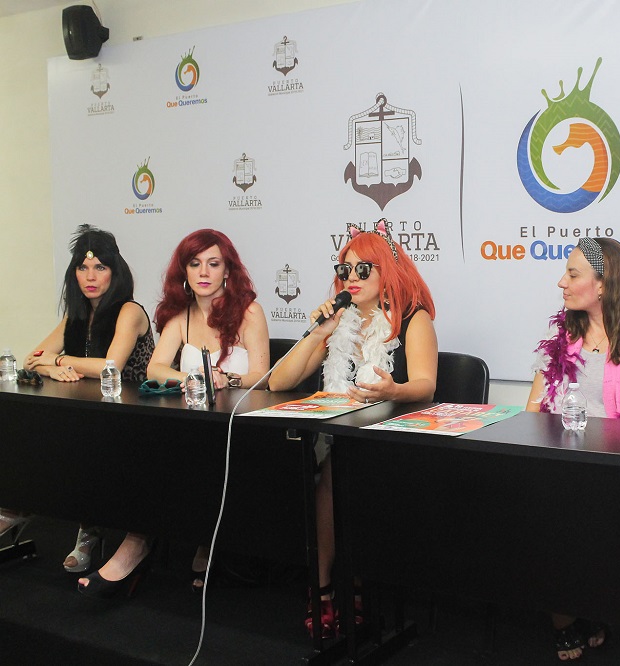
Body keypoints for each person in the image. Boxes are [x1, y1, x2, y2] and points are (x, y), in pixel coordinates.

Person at [77, 228, 270, 598]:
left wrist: (227, 379)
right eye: (195, 264)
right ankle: (136, 545)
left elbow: (263, 377)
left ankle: (173, 545)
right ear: (184, 271)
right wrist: (195, 378)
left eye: (213, 264)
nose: (203, 272)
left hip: (240, 430)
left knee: (178, 455)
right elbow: (155, 369)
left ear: (227, 271)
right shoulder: (181, 316)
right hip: (194, 426)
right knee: (143, 448)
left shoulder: (250, 312)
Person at [269, 219, 437, 638]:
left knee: (339, 471)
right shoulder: (339, 320)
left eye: (363, 269)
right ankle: (325, 588)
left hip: (394, 440)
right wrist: (320, 334)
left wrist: (393, 389)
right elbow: (279, 382)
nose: (351, 277)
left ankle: (351, 585)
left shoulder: (412, 319)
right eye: (344, 269)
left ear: (387, 272)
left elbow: (426, 385)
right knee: (329, 466)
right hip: (338, 439)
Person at [526, 236, 620, 661]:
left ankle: (593, 606)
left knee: (603, 522)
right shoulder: (561, 332)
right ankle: (563, 619)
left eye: (572, 274)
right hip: (562, 461)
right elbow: (534, 408)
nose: (561, 282)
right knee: (550, 514)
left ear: (603, 283)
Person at [0, 225, 154, 574]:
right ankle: (20, 506)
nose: (90, 276)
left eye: (100, 267)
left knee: (76, 439)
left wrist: (58, 361)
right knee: (28, 425)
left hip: (133, 417)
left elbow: (110, 367)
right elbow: (31, 359)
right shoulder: (76, 314)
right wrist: (53, 368)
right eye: (82, 268)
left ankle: (89, 529)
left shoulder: (129, 311)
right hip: (88, 414)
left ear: (115, 271)